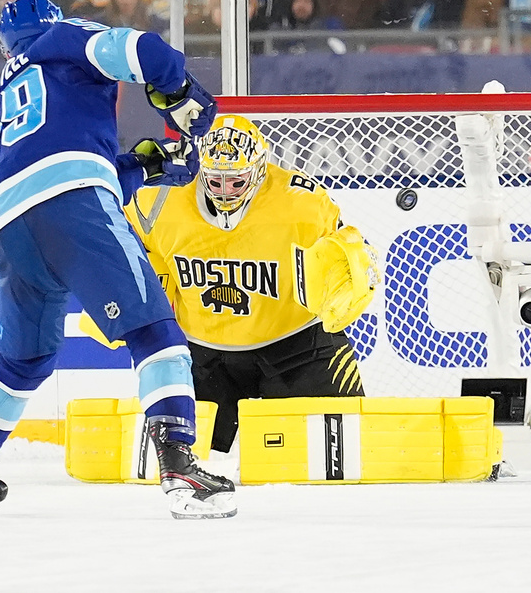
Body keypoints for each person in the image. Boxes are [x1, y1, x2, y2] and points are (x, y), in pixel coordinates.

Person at [0, 0, 235, 520]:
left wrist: (148, 168)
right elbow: (142, 49)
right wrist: (176, 91)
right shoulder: (61, 36)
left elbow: (57, 153)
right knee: (155, 328)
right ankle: (179, 463)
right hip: (71, 201)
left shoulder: (10, 83)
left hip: (7, 222)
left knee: (23, 360)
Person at [84, 114, 379, 452]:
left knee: (345, 452)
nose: (225, 192)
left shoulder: (302, 203)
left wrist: (350, 275)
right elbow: (125, 247)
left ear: (259, 171)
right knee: (173, 458)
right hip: (202, 353)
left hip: (296, 345)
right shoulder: (158, 200)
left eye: (236, 182)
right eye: (215, 181)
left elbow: (348, 252)